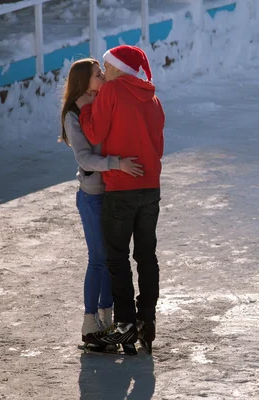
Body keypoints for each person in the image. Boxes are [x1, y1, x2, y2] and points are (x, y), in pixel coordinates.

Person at [76, 45, 165, 353]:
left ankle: (125, 324)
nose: (104, 70)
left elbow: (94, 133)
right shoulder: (153, 99)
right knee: (146, 256)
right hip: (151, 188)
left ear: (117, 69)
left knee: (117, 257)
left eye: (106, 65)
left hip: (121, 188)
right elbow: (159, 146)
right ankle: (147, 321)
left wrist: (88, 107)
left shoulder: (112, 92)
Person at [59, 58, 145, 345]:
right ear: (85, 81)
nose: (104, 78)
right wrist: (117, 164)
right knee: (97, 260)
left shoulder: (103, 102)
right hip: (92, 197)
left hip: (113, 192)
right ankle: (89, 321)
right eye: (99, 75)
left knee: (112, 260)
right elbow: (84, 158)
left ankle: (106, 321)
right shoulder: (73, 114)